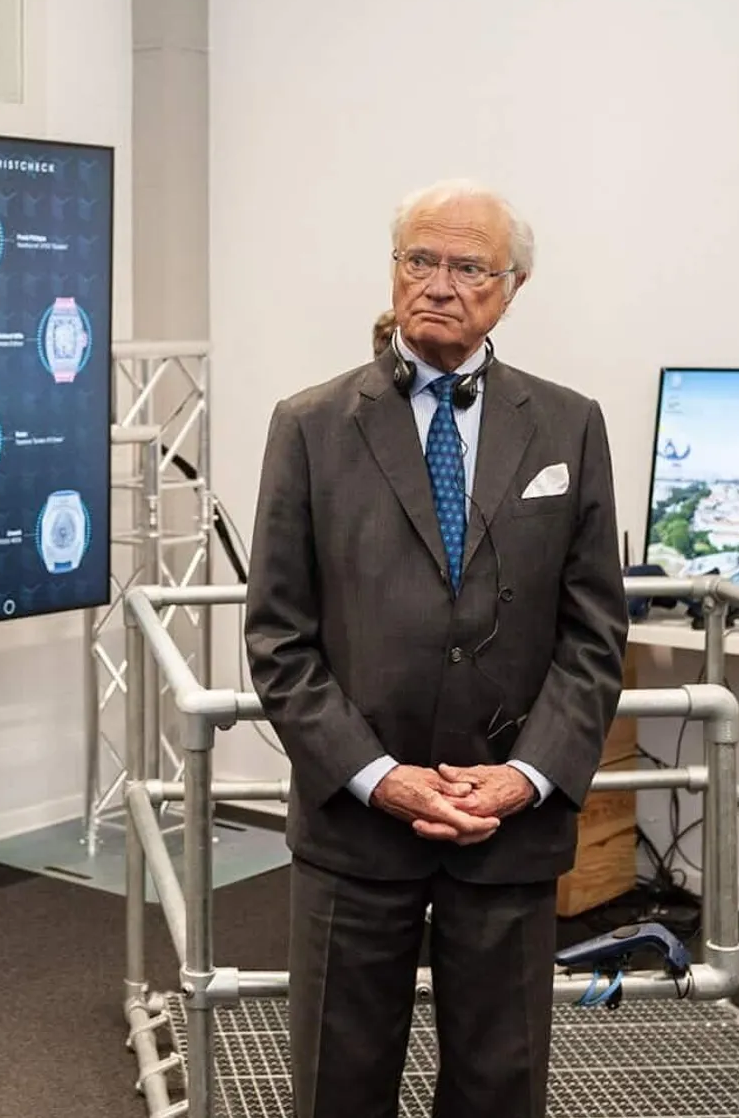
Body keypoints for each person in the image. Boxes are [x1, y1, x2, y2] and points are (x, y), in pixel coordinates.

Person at [246, 179, 628, 1118]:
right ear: (393, 270)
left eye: (468, 266)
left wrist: (526, 776)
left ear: (513, 285)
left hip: (508, 827)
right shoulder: (309, 426)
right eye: (421, 260)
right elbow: (279, 639)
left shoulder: (570, 425)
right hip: (357, 824)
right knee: (339, 1086)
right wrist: (378, 775)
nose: (440, 284)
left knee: (501, 1088)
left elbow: (594, 634)